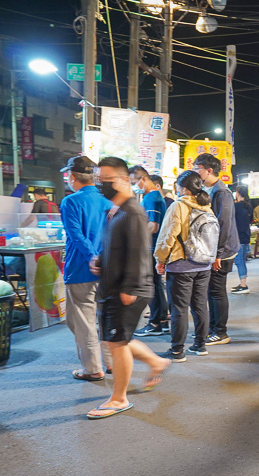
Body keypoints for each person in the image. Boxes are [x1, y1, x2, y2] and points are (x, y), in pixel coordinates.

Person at [87, 156, 169, 419]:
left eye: (107, 180)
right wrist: (101, 260)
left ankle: (119, 398)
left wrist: (130, 287)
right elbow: (118, 247)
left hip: (129, 289)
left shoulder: (133, 211)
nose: (102, 185)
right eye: (100, 180)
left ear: (125, 180)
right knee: (115, 339)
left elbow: (138, 252)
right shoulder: (117, 210)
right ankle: (156, 361)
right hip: (115, 285)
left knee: (117, 342)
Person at [59, 155, 114, 381]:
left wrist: (92, 256)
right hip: (108, 270)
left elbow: (76, 235)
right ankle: (111, 363)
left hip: (81, 269)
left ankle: (92, 369)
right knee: (104, 318)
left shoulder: (70, 202)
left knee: (83, 321)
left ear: (73, 177)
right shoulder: (107, 202)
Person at [154, 170, 217, 361]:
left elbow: (167, 236)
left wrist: (160, 259)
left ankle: (176, 350)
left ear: (182, 188)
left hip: (181, 264)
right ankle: (200, 345)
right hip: (203, 264)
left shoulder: (178, 206)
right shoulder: (206, 206)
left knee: (179, 309)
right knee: (200, 305)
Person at [191, 153, 239, 346]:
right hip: (213, 250)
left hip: (222, 251)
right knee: (212, 291)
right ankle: (213, 329)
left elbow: (223, 224)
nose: (196, 173)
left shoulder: (221, 192)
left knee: (217, 291)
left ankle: (220, 332)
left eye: (198, 170)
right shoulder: (210, 190)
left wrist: (217, 254)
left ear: (208, 170)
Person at [131, 166, 170, 337]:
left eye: (134, 182)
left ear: (143, 179)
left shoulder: (151, 198)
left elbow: (153, 226)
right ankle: (160, 320)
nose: (134, 186)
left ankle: (154, 322)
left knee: (150, 285)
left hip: (149, 247)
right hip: (153, 248)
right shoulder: (154, 197)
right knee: (155, 284)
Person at [230, 185, 252, 294]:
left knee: (239, 261)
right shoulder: (248, 206)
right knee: (242, 260)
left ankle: (243, 286)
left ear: (238, 193)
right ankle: (243, 283)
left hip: (238, 236)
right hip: (245, 235)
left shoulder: (236, 206)